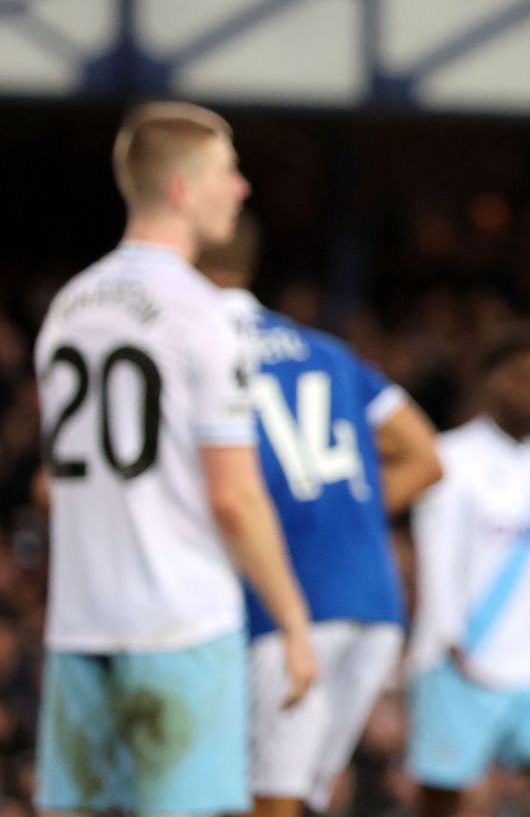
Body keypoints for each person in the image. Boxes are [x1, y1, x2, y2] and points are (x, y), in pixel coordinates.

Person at [33, 102, 315, 816]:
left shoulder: (68, 308)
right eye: (228, 171)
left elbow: (52, 485)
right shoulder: (206, 315)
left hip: (80, 627)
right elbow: (234, 497)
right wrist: (292, 621)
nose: (242, 188)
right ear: (184, 189)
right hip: (180, 625)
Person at [197, 213, 443, 817]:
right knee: (299, 793)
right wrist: (347, 508)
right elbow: (426, 456)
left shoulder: (198, 350)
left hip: (291, 603)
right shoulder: (327, 352)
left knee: (264, 796)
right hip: (375, 606)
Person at [405, 335, 530, 817]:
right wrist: (448, 637)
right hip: (459, 658)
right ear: (494, 384)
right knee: (441, 801)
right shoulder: (449, 457)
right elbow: (436, 556)